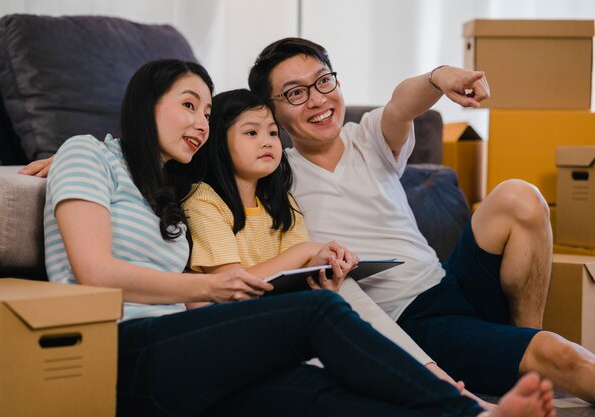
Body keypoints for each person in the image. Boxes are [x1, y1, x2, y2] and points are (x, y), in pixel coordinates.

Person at [42, 57, 555, 417]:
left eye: (206, 112)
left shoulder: (170, 187)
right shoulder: (87, 153)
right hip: (117, 348)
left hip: (186, 358)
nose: (201, 122)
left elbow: (217, 168)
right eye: (189, 105)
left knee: (316, 393)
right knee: (317, 312)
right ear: (145, 103)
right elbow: (94, 273)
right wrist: (212, 287)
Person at [246, 37, 595, 402]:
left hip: (447, 280)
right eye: (295, 94)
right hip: (413, 321)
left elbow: (401, 105)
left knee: (520, 197)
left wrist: (440, 78)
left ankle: (522, 349)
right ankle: (530, 359)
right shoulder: (274, 176)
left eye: (322, 81)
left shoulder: (367, 135)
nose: (317, 99)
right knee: (562, 355)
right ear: (272, 112)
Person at [183, 88, 358, 292]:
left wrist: (320, 266)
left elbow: (294, 274)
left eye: (273, 133)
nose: (267, 142)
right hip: (236, 314)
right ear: (217, 142)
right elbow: (229, 282)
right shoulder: (202, 200)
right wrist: (306, 250)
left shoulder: (281, 201)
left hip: (278, 304)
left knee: (345, 285)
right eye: (251, 133)